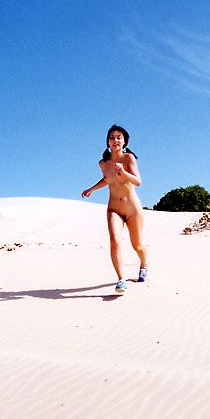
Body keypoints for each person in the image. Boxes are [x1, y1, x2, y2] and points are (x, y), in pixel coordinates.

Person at [81, 125, 148, 293]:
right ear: (108, 142)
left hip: (133, 209)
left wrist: (123, 172)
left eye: (119, 137)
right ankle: (121, 279)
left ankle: (144, 265)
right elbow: (107, 179)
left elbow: (138, 181)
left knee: (137, 245)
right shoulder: (103, 163)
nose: (115, 140)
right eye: (112, 137)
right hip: (114, 209)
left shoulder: (129, 158)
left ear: (124, 141)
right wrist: (91, 189)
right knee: (114, 240)